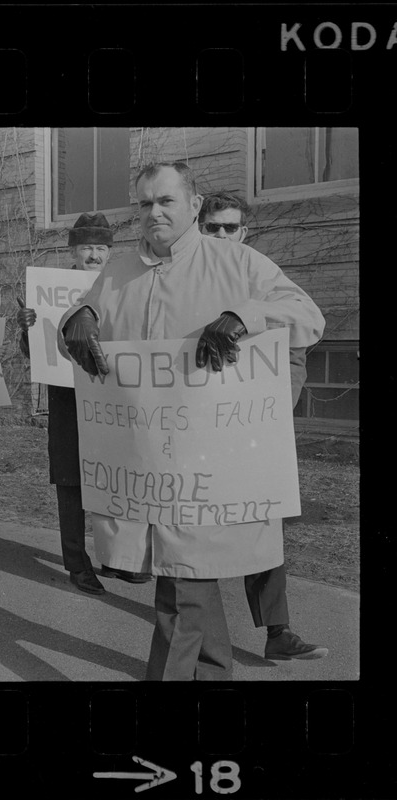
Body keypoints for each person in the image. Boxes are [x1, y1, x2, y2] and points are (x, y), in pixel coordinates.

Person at [59, 163, 325, 680]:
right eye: (143, 204)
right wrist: (77, 319)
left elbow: (306, 315)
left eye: (165, 201)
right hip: (146, 468)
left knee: (182, 592)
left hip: (211, 473)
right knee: (187, 584)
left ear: (194, 205)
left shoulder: (238, 261)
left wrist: (245, 316)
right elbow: (82, 317)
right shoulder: (117, 270)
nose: (153, 213)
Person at [199, 191, 327, 660]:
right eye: (211, 227)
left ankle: (279, 632)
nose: (220, 236)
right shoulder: (174, 274)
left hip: (244, 423)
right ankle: (199, 629)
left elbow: (307, 321)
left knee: (260, 516)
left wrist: (243, 315)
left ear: (244, 232)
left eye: (229, 228)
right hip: (187, 422)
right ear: (198, 228)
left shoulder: (256, 269)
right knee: (195, 520)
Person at [16, 212, 151, 596]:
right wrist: (27, 328)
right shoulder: (52, 289)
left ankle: (118, 558)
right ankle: (77, 563)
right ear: (73, 251)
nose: (94, 255)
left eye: (101, 248)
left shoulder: (124, 285)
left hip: (115, 399)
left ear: (110, 252)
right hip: (68, 398)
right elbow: (37, 353)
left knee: (119, 478)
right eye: (86, 248)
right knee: (72, 481)